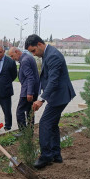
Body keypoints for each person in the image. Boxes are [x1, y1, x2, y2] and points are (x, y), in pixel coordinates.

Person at [26, 34, 76, 169]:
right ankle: (56, 155)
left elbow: (53, 81)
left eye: (33, 51)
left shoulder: (53, 55)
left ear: (40, 44)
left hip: (60, 95)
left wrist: (41, 99)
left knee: (44, 123)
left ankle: (46, 156)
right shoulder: (47, 54)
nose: (34, 54)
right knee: (52, 124)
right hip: (57, 95)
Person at [8, 47, 39, 130]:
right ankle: (29, 132)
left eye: (12, 56)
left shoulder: (25, 60)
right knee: (30, 112)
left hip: (27, 91)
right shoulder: (28, 57)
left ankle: (23, 131)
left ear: (17, 52)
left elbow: (30, 77)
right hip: (32, 89)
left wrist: (29, 93)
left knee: (20, 111)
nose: (12, 58)